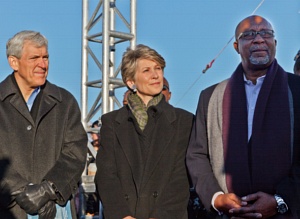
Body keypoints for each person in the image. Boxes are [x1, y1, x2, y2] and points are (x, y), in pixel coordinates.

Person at [186, 15, 300, 219]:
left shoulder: (297, 90)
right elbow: (197, 154)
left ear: (275, 43)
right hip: (227, 214)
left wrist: (281, 200)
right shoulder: (211, 97)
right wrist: (216, 197)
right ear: (237, 46)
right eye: (249, 35)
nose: (258, 39)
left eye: (266, 33)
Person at [95, 44, 194, 219]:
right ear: (130, 81)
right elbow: (106, 175)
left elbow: (181, 178)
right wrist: (122, 215)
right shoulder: (111, 122)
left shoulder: (184, 121)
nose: (156, 75)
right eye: (147, 70)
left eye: (158, 68)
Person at [0, 30, 88, 219]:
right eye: (34, 58)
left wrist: (49, 189)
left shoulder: (65, 101)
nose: (42, 64)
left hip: (55, 209)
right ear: (13, 62)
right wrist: (22, 191)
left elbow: (75, 152)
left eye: (45, 57)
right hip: (6, 208)